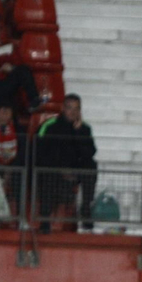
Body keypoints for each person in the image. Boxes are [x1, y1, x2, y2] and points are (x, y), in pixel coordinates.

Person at [33, 95, 97, 232]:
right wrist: (61, 170)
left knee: (91, 165)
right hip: (53, 169)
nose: (73, 112)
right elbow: (39, 153)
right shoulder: (49, 126)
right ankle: (45, 221)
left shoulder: (85, 129)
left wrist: (79, 133)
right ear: (63, 108)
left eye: (76, 109)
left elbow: (89, 153)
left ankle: (86, 209)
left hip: (74, 170)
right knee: (46, 171)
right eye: (69, 108)